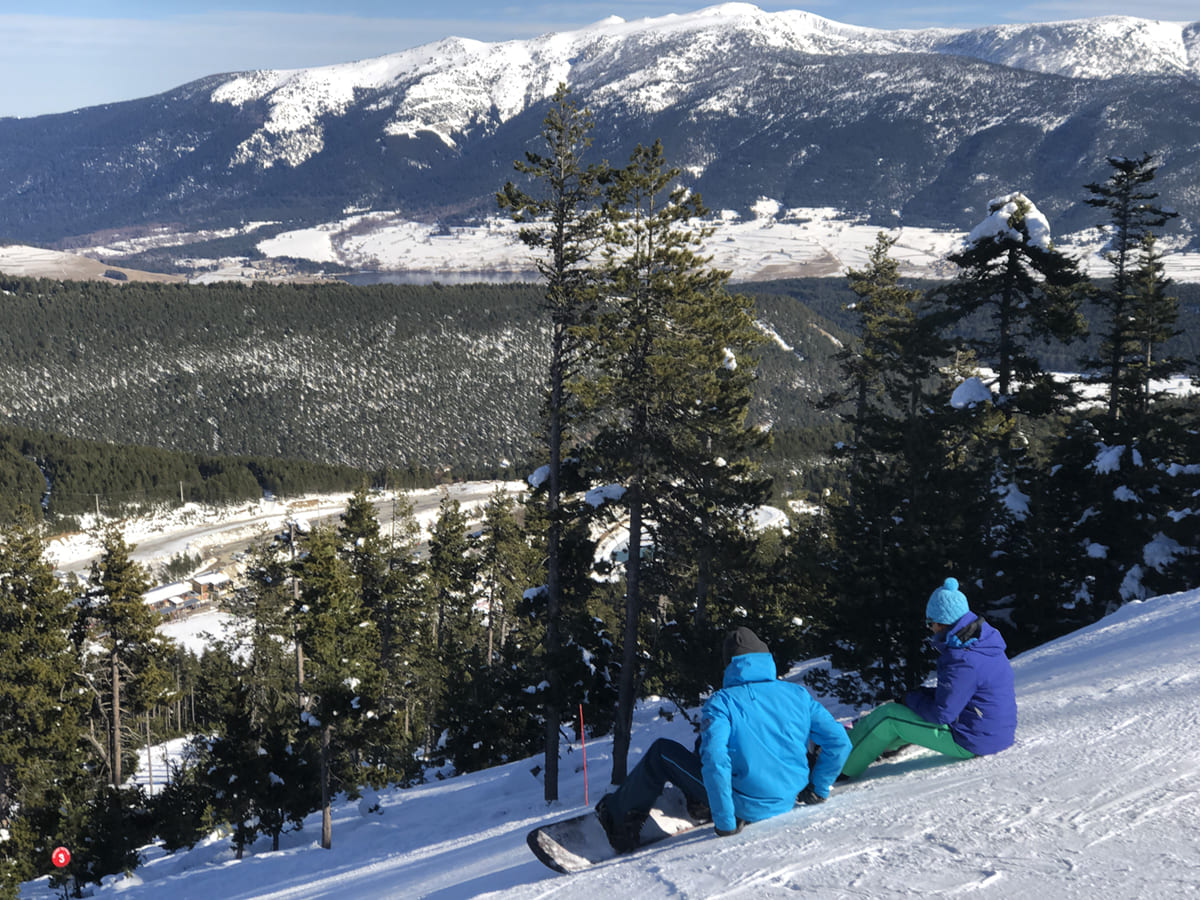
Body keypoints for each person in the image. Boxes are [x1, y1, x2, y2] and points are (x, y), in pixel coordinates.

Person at [595, 626, 851, 852]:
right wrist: (817, 788)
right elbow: (839, 742)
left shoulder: (723, 702)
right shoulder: (797, 694)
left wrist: (727, 821)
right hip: (786, 798)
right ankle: (700, 804)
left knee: (662, 752)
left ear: (730, 663)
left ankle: (618, 818)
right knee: (704, 743)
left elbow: (716, 759)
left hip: (744, 806)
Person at [839, 577, 1017, 780]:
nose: (929, 628)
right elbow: (961, 694)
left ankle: (839, 766)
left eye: (929, 622)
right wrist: (916, 695)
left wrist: (910, 699)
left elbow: (942, 714)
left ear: (941, 623)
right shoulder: (983, 642)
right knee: (903, 708)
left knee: (889, 716)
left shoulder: (961, 659)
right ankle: (869, 744)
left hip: (973, 740)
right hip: (993, 733)